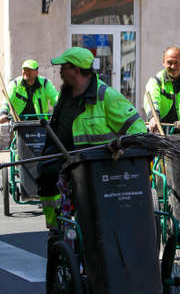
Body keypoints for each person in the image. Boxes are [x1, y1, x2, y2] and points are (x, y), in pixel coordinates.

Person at [37, 47, 146, 230]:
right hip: (64, 158)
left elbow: (137, 128)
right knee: (45, 173)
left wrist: (124, 147)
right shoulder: (65, 96)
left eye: (64, 67)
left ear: (76, 71)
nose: (60, 71)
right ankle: (56, 227)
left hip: (97, 164)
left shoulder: (106, 96)